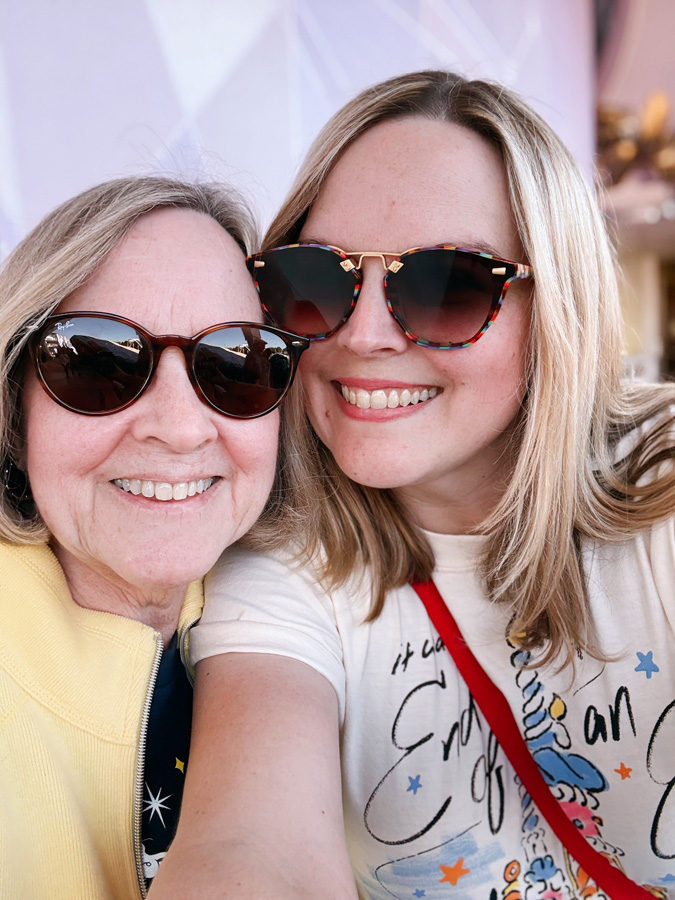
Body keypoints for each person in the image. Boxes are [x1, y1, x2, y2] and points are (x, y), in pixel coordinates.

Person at [153, 71, 675, 899]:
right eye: (318, 280)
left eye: (445, 286)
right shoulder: (281, 559)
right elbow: (251, 846)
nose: (362, 336)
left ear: (557, 305)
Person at [0, 175, 307, 899]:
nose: (178, 428)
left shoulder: (325, 617)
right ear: (15, 404)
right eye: (98, 362)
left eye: (236, 365)